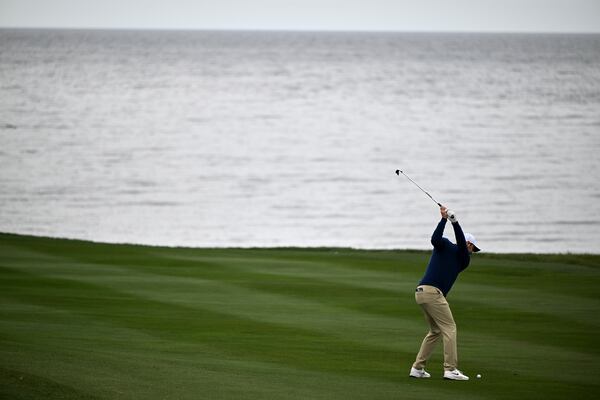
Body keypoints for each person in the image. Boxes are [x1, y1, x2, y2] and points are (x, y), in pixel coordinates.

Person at [409, 205, 480, 381]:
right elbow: (435, 239)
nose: (473, 252)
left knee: (435, 331)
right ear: (469, 244)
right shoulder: (446, 245)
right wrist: (444, 220)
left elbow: (461, 249)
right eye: (473, 248)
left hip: (421, 293)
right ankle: (450, 369)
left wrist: (454, 222)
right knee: (449, 328)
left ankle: (417, 368)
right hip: (432, 293)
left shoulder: (463, 259)